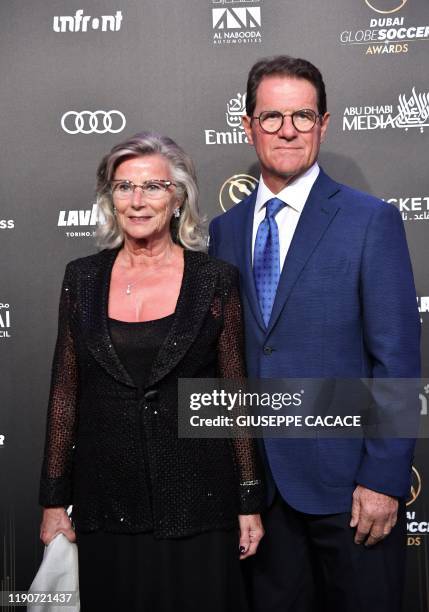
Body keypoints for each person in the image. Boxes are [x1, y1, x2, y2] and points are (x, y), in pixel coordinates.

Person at [209, 56, 421, 612]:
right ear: (248, 124)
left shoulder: (369, 219)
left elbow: (396, 359)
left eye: (302, 116)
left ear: (324, 124)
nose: (287, 130)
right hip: (262, 499)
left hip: (350, 490)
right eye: (272, 116)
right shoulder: (223, 231)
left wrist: (381, 478)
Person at [39, 131, 264, 612]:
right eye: (124, 187)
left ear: (178, 197)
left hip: (199, 501)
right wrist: (54, 499)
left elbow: (234, 394)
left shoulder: (213, 279)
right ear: (110, 198)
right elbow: (65, 389)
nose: (137, 201)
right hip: (106, 502)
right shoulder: (81, 277)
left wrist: (248, 498)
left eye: (153, 187)